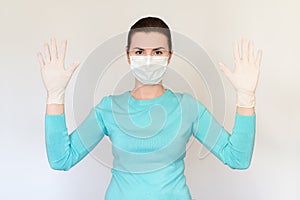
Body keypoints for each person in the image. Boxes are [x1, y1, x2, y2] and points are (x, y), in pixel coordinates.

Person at [37, 16, 262, 200]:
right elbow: (62, 159)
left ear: (169, 56)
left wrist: (246, 98)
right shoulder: (109, 109)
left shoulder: (188, 108)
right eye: (139, 52)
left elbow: (237, 158)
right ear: (128, 56)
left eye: (157, 52)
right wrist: (55, 96)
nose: (148, 59)